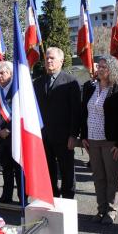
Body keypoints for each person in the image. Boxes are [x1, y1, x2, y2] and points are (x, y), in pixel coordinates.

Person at [81, 56, 118, 224]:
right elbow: (84, 113)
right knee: (99, 177)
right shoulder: (90, 87)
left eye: (104, 67)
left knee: (113, 177)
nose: (100, 69)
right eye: (99, 66)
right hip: (92, 140)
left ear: (112, 69)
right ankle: (101, 209)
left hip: (111, 141)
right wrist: (84, 136)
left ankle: (111, 211)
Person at [33, 47, 81, 199]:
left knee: (67, 170)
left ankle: (67, 199)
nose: (48, 61)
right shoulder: (38, 83)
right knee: (47, 169)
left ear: (61, 61)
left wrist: (73, 135)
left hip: (64, 136)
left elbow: (76, 112)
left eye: (52, 58)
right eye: (47, 58)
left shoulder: (71, 82)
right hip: (43, 135)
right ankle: (52, 196)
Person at [0, 61, 26, 205]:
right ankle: (6, 195)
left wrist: (8, 129)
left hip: (14, 135)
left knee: (18, 168)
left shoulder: (18, 89)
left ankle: (23, 196)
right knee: (6, 167)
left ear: (10, 73)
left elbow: (22, 112)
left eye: (3, 73)